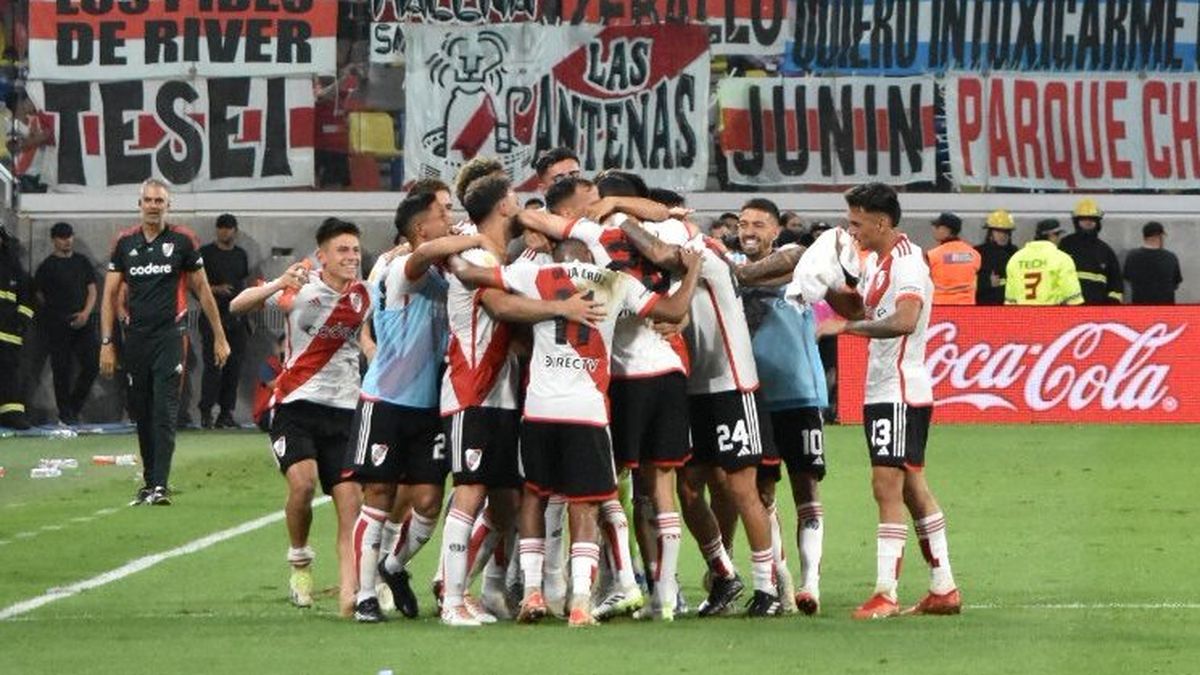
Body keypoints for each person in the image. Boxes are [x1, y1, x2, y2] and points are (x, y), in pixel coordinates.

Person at [450, 236, 703, 627]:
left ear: (559, 258)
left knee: (534, 495)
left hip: (539, 407)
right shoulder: (614, 281)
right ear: (588, 257)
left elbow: (466, 272)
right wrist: (693, 271)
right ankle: (581, 601)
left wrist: (446, 247)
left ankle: (532, 592)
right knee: (584, 504)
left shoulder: (534, 274)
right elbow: (674, 308)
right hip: (586, 408)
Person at [436, 174, 605, 627]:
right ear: (503, 207)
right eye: (514, 198)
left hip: (506, 395)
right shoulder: (473, 253)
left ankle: (481, 589)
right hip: (471, 390)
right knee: (470, 490)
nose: (521, 205)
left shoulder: (504, 257)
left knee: (507, 501)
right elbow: (500, 308)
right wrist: (561, 308)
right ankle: (451, 597)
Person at [817, 182, 961, 619]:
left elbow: (905, 319)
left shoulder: (907, 261)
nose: (851, 229)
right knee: (913, 488)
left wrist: (843, 330)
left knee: (886, 486)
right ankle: (943, 587)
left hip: (898, 388)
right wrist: (823, 287)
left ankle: (886, 592)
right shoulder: (878, 264)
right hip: (887, 389)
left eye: (857, 222)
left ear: (881, 221)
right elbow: (863, 309)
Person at [344, 193, 484, 623]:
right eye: (443, 214)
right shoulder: (399, 267)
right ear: (421, 229)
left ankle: (392, 565)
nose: (451, 219)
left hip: (429, 407)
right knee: (379, 495)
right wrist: (478, 235)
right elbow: (424, 252)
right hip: (385, 399)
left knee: (427, 499)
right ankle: (366, 594)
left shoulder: (435, 267)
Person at [229, 218, 371, 615]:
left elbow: (369, 337)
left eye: (356, 250)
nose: (351, 258)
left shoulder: (364, 295)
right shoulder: (300, 289)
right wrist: (277, 283)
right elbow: (237, 305)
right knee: (303, 486)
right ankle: (300, 563)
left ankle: (350, 592)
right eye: (342, 250)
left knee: (350, 505)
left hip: (345, 410)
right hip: (295, 406)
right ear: (321, 256)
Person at [100, 179, 230, 506]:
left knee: (164, 409)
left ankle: (160, 483)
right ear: (139, 204)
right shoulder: (124, 243)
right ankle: (149, 482)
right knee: (141, 411)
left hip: (171, 336)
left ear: (168, 205)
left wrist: (219, 336)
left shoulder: (183, 241)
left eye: (160, 200)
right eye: (148, 200)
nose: (154, 205)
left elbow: (202, 290)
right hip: (135, 339)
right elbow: (109, 296)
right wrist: (106, 342)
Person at [731, 198, 829, 616]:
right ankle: (781, 579)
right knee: (762, 491)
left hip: (801, 393)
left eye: (757, 223)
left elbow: (799, 255)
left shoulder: (798, 262)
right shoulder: (729, 261)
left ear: (775, 230)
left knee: (806, 489)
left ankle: (811, 583)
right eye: (742, 223)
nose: (748, 229)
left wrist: (736, 276)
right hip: (756, 397)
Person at [33, 222, 98, 425]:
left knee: (92, 365)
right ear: (54, 240)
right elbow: (38, 294)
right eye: (62, 237)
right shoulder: (47, 266)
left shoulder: (82, 262)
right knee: (61, 370)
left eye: (69, 236)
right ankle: (65, 414)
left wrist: (86, 314)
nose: (66, 241)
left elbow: (92, 290)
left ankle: (74, 406)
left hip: (83, 323)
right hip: (58, 325)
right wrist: (54, 315)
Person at [198, 214, 250, 429]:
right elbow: (196, 286)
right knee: (213, 367)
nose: (224, 232)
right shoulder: (205, 254)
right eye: (221, 228)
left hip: (236, 317)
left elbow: (243, 282)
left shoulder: (240, 255)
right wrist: (216, 289)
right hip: (213, 317)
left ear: (235, 231)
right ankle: (206, 411)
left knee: (234, 368)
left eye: (228, 228)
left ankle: (226, 413)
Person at [0, 224, 34, 429]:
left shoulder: (13, 266)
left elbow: (27, 297)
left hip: (9, 334)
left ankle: (12, 414)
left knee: (9, 375)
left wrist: (21, 322)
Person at [1004, 220, 1084, 306]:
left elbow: (1010, 301)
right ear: (1052, 235)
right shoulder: (1061, 258)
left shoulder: (1016, 258)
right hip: (1051, 315)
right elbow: (1074, 299)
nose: (1059, 239)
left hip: (1023, 316)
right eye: (1058, 235)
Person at [1059, 198, 1122, 304]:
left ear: (1097, 222)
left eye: (1092, 219)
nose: (1088, 222)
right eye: (1084, 219)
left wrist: (1112, 303)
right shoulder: (1065, 245)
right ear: (1076, 221)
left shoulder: (1105, 250)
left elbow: (1116, 283)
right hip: (1068, 309)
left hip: (1097, 309)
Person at [927, 212, 980, 305]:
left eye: (937, 227)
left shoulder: (932, 255)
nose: (934, 230)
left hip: (940, 309)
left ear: (945, 229)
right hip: (968, 309)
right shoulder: (974, 254)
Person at [1123, 222, 1182, 305]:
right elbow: (1176, 283)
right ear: (1160, 236)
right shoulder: (1170, 258)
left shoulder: (1132, 257)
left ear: (1144, 237)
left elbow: (1128, 278)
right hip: (1165, 311)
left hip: (1140, 309)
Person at [975, 210, 1017, 305]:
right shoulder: (978, 252)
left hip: (1009, 305)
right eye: (998, 231)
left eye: (1006, 232)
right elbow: (968, 281)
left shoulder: (1015, 253)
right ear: (990, 233)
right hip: (984, 305)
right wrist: (986, 282)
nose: (1003, 235)